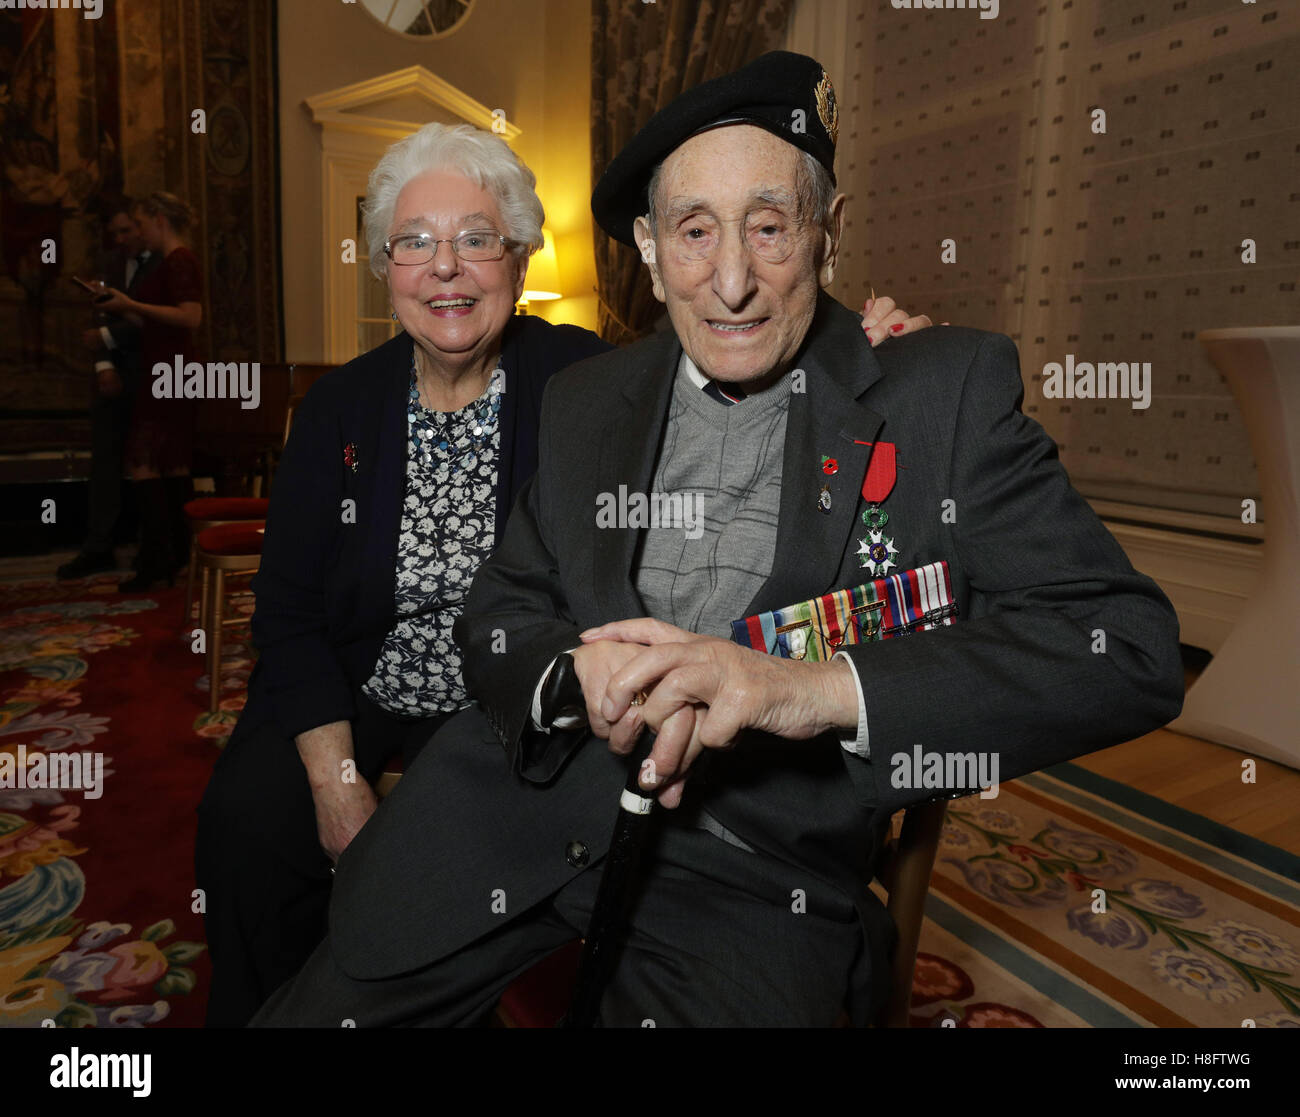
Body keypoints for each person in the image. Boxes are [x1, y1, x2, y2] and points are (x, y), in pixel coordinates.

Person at [251, 52, 1183, 1028]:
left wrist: (807, 689)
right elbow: (500, 609)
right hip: (510, 812)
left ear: (826, 232)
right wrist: (570, 676)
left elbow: (1124, 648)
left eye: (769, 227)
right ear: (649, 249)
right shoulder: (586, 398)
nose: (730, 282)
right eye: (694, 232)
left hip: (753, 870)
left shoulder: (937, 392)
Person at [194, 118, 933, 1027]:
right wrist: (335, 777)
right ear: (385, 266)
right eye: (416, 244)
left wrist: (869, 343)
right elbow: (292, 614)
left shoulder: (583, 373)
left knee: (469, 857)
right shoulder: (337, 408)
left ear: (517, 255)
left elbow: (735, 331)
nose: (447, 269)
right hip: (359, 677)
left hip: (510, 694)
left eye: (477, 240)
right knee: (247, 824)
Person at [95, 191, 203, 591]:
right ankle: (176, 558)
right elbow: (159, 323)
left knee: (144, 463)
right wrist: (122, 307)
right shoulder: (170, 262)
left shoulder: (179, 259)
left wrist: (133, 306)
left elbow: (191, 317)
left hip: (171, 373)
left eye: (140, 223)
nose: (138, 232)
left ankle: (158, 561)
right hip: (167, 370)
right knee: (171, 464)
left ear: (159, 219)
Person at [58, 199, 159, 580]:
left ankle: (151, 549)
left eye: (126, 231)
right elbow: (98, 311)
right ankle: (99, 546)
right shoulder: (112, 264)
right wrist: (103, 364)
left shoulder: (163, 264)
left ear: (140, 227)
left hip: (150, 376)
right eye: (114, 233)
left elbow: (154, 320)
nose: (120, 239)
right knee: (104, 464)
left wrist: (103, 336)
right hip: (111, 376)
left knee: (150, 464)